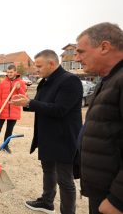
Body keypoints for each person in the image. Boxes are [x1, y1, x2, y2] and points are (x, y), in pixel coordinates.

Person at [10, 50, 83, 214]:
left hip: (64, 138)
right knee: (48, 170)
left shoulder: (70, 81)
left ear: (52, 64)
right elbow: (40, 105)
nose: (36, 69)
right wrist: (24, 104)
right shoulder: (45, 81)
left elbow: (60, 110)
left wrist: (30, 102)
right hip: (47, 136)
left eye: (39, 66)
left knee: (65, 179)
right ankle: (47, 202)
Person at [75, 22, 123, 214]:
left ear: (104, 47)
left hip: (113, 198)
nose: (77, 58)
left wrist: (118, 200)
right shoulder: (109, 79)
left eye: (81, 52)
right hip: (102, 188)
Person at [0, 64, 26, 153]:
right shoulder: (2, 83)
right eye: (8, 72)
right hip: (3, 109)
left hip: (14, 110)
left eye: (11, 72)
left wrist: (19, 89)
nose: (9, 74)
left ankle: (5, 145)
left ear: (15, 72)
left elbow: (24, 96)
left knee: (9, 129)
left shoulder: (21, 83)